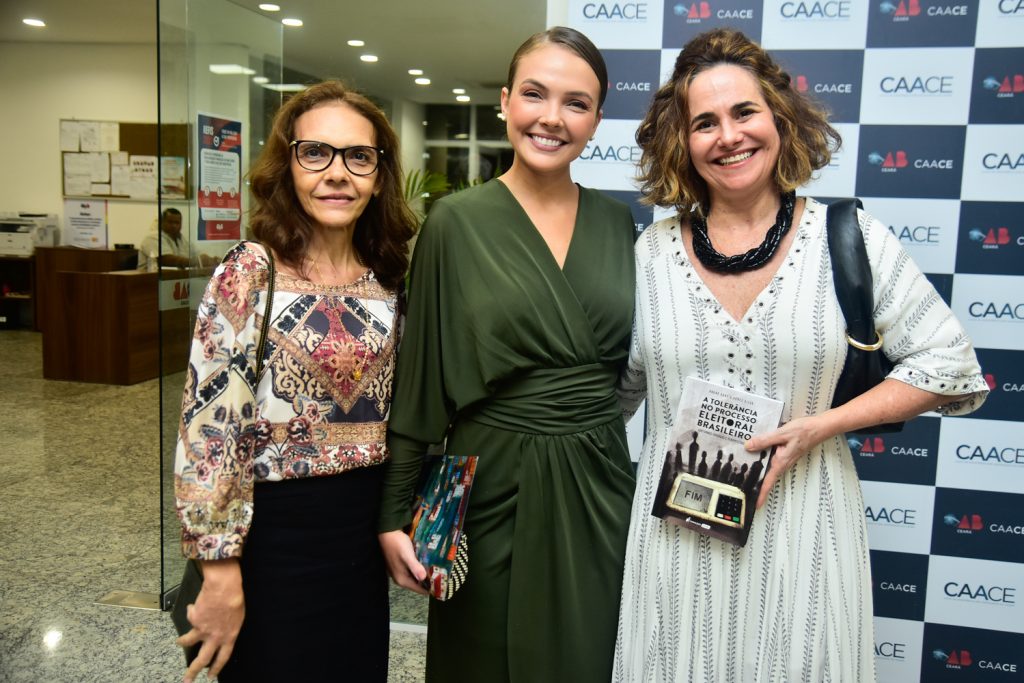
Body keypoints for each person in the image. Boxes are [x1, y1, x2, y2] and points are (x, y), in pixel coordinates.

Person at [612, 29, 988, 682]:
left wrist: (823, 424)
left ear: (779, 118)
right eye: (705, 122)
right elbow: (616, 389)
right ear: (682, 140)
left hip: (806, 532)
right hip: (675, 540)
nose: (728, 135)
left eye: (744, 112)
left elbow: (950, 365)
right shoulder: (648, 254)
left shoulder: (847, 235)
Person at [378, 27, 636, 683]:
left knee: (589, 656)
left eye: (576, 103)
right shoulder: (454, 224)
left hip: (598, 480)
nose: (552, 117)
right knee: (481, 660)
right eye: (535, 94)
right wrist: (393, 516)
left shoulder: (618, 224)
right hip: (488, 484)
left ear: (597, 119)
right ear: (505, 101)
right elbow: (420, 384)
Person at [173, 80, 417, 683]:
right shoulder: (250, 271)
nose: (338, 173)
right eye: (316, 153)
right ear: (288, 165)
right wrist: (220, 571)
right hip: (272, 540)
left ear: (380, 176)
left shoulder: (391, 278)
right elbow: (209, 432)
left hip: (357, 540)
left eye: (358, 157)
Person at [137, 207, 216, 270]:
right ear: (161, 222)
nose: (174, 225)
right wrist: (196, 261)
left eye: (177, 223)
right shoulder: (152, 237)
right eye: (170, 222)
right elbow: (165, 260)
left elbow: (197, 254)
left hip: (174, 279)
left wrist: (211, 260)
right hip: (148, 280)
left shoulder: (182, 239)